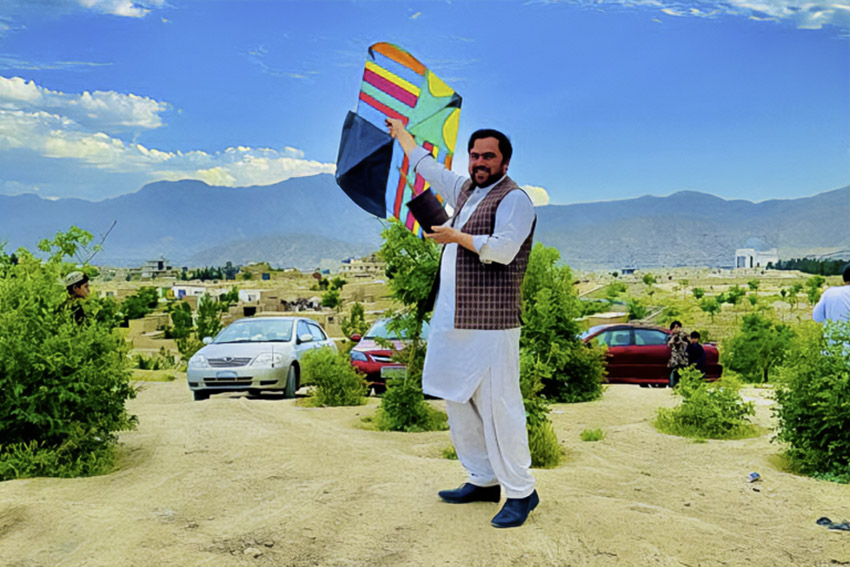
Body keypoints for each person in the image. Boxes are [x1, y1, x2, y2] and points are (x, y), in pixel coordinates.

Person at [386, 118, 538, 529]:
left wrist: (457, 237)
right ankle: (483, 478)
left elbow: (504, 250)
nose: (479, 162)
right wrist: (402, 135)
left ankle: (521, 491)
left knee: (499, 405)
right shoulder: (468, 190)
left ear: (504, 160)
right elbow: (430, 168)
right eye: (474, 156)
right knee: (454, 396)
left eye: (488, 156)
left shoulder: (515, 199)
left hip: (491, 325)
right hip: (452, 318)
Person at [666, 320, 689, 387]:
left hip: (683, 357)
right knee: (674, 371)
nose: (676, 329)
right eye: (675, 327)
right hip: (674, 357)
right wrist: (674, 336)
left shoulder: (684, 335)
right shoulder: (671, 336)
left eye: (678, 327)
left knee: (683, 371)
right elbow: (669, 344)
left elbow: (688, 342)